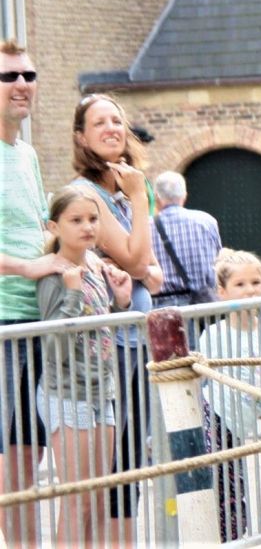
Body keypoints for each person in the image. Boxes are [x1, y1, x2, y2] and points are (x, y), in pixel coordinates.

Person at [71, 93, 163, 541]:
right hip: (109, 341)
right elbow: (133, 259)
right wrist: (142, 201)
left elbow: (153, 267)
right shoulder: (89, 194)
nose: (112, 129)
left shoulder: (124, 189)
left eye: (117, 120)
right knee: (109, 459)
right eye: (99, 123)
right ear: (81, 137)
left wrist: (143, 264)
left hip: (139, 338)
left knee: (131, 456)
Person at [36, 186, 133, 548]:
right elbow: (54, 345)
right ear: (54, 226)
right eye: (76, 220)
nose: (87, 227)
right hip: (68, 393)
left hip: (101, 392)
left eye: (92, 219)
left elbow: (102, 332)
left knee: (96, 497)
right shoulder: (53, 276)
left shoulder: (94, 267)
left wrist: (121, 301)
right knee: (76, 499)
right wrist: (73, 293)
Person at [0, 40, 66, 548]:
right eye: (8, 77)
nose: (21, 84)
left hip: (36, 317)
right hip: (3, 322)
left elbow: (42, 231)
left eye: (28, 75)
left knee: (27, 449)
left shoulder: (28, 153)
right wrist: (27, 266)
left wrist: (82, 264)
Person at [197, 249, 261, 542]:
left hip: (245, 419)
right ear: (222, 292)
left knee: (234, 485)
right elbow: (208, 381)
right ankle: (227, 538)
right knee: (226, 489)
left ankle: (232, 537)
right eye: (240, 284)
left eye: (255, 282)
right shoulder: (213, 334)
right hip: (216, 417)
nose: (250, 290)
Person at [150, 170, 221, 307]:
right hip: (202, 304)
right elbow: (217, 262)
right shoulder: (206, 221)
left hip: (162, 307)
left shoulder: (145, 226)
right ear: (184, 195)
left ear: (156, 197)